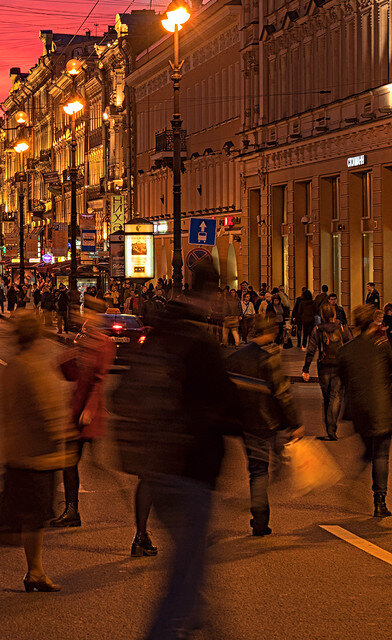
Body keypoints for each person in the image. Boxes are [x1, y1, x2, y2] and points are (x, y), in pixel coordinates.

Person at [111, 262, 241, 640]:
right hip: (189, 470)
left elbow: (124, 394)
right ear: (214, 293)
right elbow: (228, 407)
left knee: (191, 568)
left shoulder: (159, 333)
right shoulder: (200, 343)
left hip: (155, 469)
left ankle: (202, 623)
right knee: (184, 578)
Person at [0, 311, 75, 593]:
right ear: (37, 336)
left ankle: (35, 571)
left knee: (31, 516)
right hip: (39, 455)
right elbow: (47, 411)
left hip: (18, 451)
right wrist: (63, 440)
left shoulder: (12, 366)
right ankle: (35, 571)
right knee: (36, 517)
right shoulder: (33, 367)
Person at [228, 314, 303, 536]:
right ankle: (261, 520)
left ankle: (258, 517)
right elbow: (282, 393)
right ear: (270, 333)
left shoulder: (236, 357)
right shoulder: (270, 358)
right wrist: (294, 423)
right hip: (266, 422)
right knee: (262, 471)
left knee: (256, 469)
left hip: (244, 422)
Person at [54, 297, 112, 528]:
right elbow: (69, 374)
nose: (83, 315)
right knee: (70, 462)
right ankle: (71, 509)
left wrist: (89, 409)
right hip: (76, 408)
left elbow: (99, 380)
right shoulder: (83, 340)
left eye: (87, 312)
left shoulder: (105, 344)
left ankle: (74, 509)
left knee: (90, 465)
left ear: (97, 316)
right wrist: (72, 354)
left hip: (88, 414)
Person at [338, 304, 392, 517]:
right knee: (381, 455)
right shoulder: (382, 346)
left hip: (358, 410)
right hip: (382, 408)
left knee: (370, 450)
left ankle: (360, 467)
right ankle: (379, 501)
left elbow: (344, 381)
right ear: (372, 323)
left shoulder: (346, 351)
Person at [302, 303, 351, 440]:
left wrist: (306, 369)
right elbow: (350, 346)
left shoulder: (317, 329)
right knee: (336, 397)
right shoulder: (342, 328)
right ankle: (332, 427)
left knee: (327, 397)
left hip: (323, 367)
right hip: (339, 367)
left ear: (322, 315)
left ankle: (329, 425)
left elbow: (311, 350)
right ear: (334, 314)